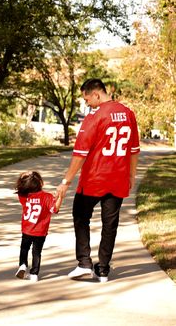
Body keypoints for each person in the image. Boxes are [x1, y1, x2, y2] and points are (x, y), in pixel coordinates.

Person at [57, 78, 140, 282]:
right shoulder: (128, 114)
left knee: (80, 215)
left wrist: (65, 182)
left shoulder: (94, 117)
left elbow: (80, 154)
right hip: (118, 178)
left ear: (96, 94)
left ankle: (85, 263)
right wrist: (131, 175)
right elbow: (134, 150)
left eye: (87, 99)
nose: (87, 104)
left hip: (95, 179)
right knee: (110, 224)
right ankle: (103, 269)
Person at [15, 171, 62, 282]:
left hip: (27, 230)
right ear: (41, 183)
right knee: (36, 252)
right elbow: (55, 209)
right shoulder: (47, 197)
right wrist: (60, 197)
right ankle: (34, 273)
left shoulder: (24, 196)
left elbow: (19, 189)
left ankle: (22, 265)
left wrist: (22, 176)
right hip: (40, 231)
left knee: (24, 248)